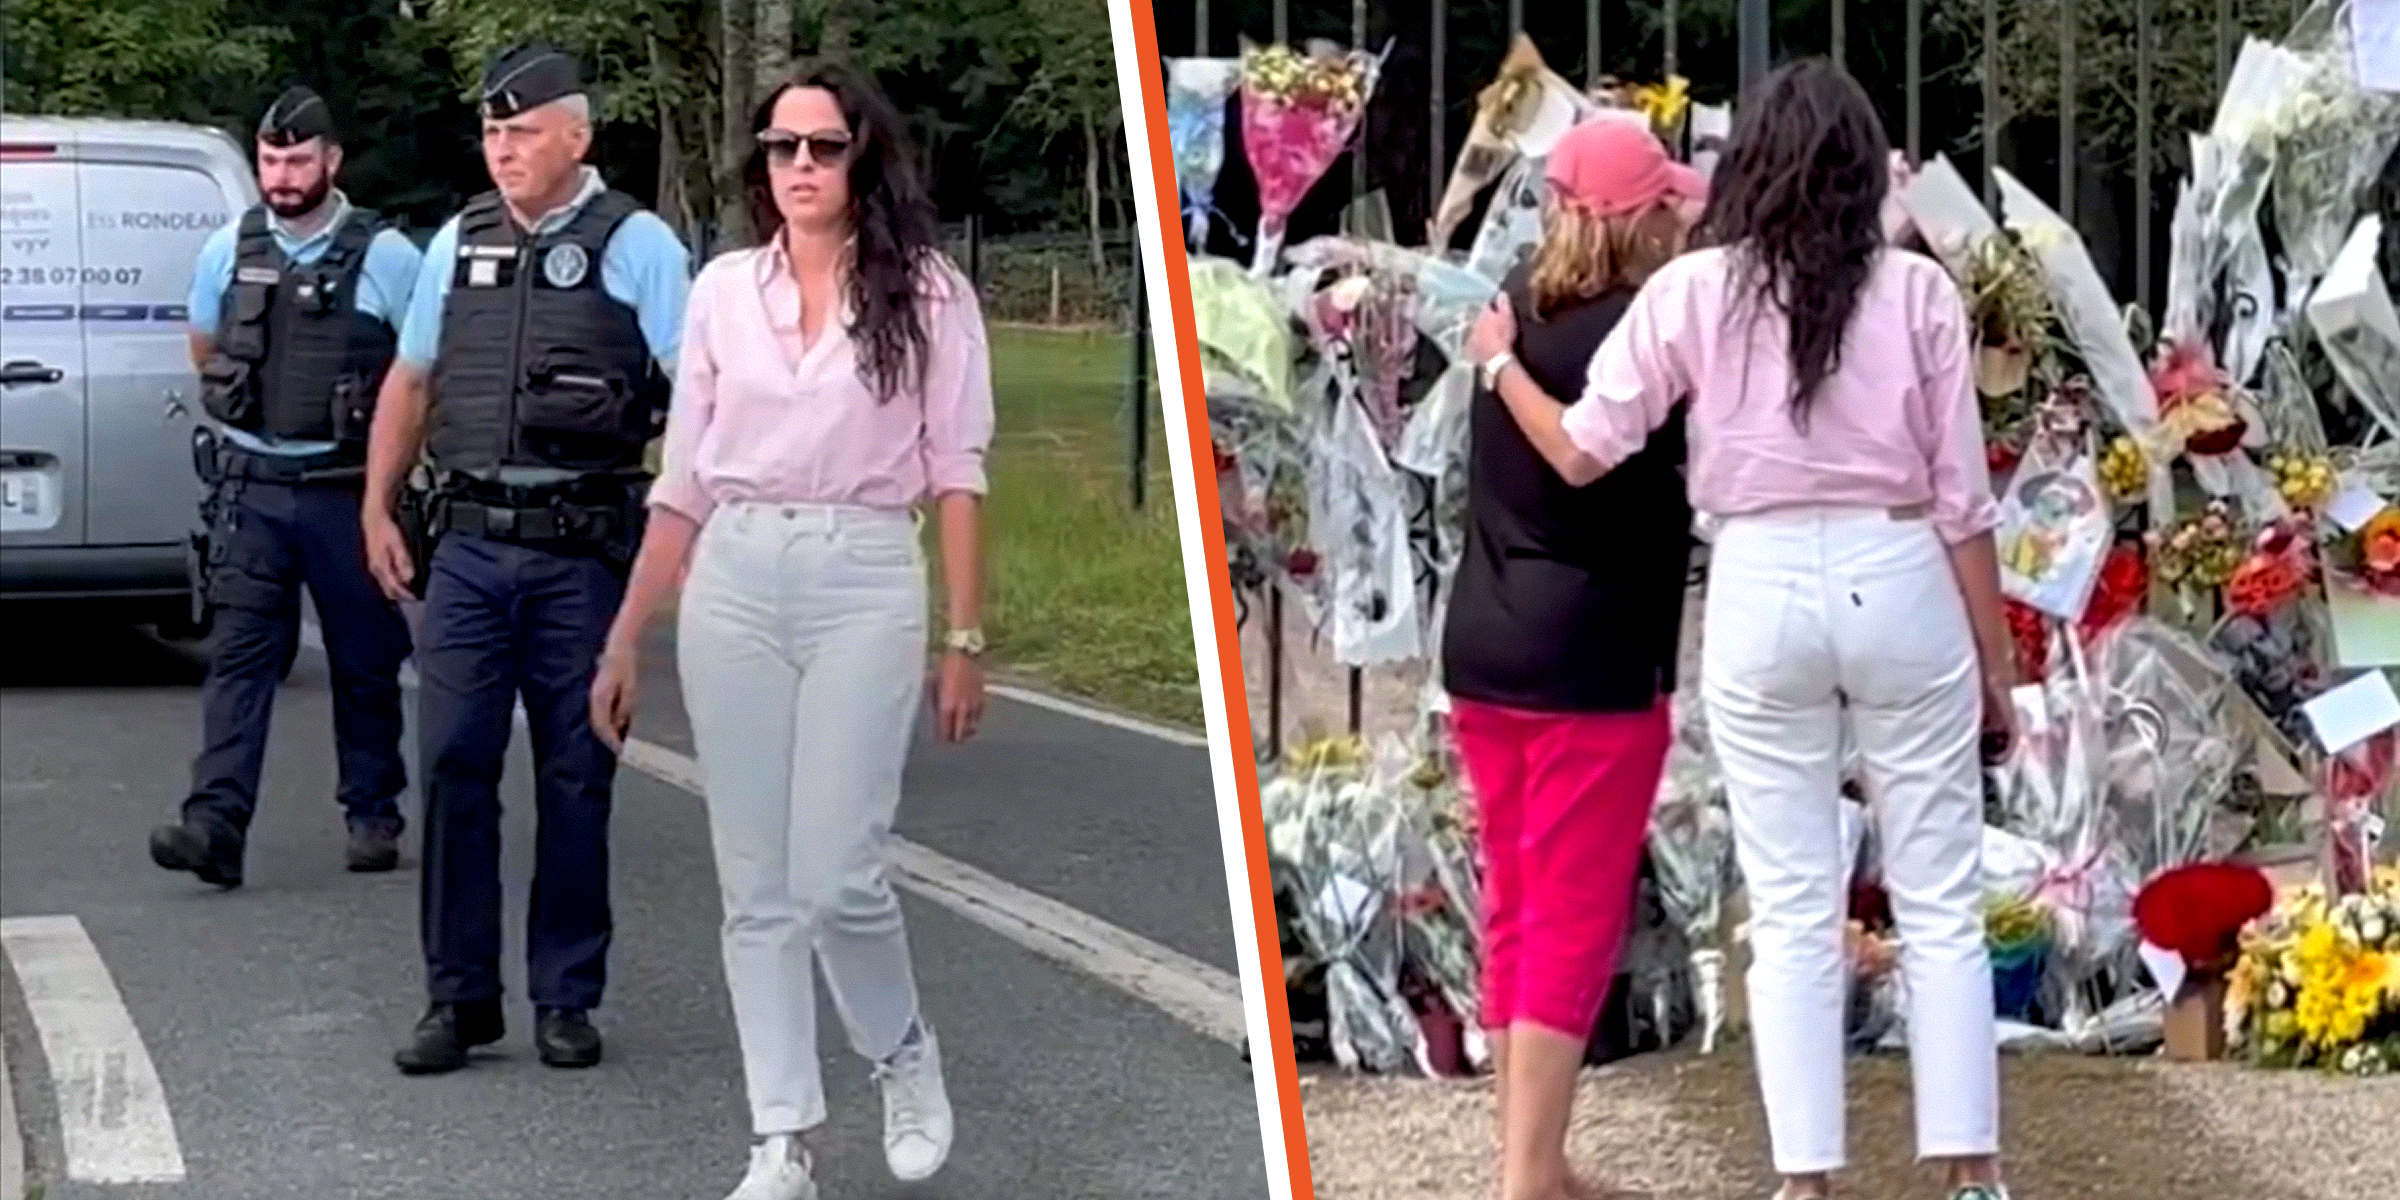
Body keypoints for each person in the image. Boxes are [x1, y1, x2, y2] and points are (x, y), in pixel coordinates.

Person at [1479, 60, 2016, 1200]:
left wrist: (1497, 371)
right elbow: (1965, 503)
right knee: (1937, 894)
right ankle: (1969, 1169)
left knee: (1789, 903)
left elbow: (1582, 447)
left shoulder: (1693, 292)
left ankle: (1806, 1178)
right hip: (1896, 562)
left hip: (1759, 579)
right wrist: (1996, 666)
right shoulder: (1918, 295)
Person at [586, 63, 991, 1200]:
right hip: (738, 573)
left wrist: (963, 637)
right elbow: (684, 484)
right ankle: (781, 1135)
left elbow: (957, 472)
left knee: (836, 876)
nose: (800, 167)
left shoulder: (928, 294)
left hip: (864, 568)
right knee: (753, 882)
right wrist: (625, 635)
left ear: (864, 156)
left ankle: (901, 1052)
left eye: (822, 146)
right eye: (781, 148)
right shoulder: (721, 292)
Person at [358, 43, 693, 1076]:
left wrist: (674, 546)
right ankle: (457, 1001)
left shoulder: (639, 246)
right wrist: (376, 504)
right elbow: (411, 382)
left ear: (577, 137)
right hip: (465, 549)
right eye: (494, 134)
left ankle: (566, 994)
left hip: (580, 553)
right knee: (455, 760)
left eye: (524, 132)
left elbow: (699, 399)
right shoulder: (456, 241)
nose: (504, 150)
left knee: (575, 772)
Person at [1449, 116, 1704, 1200]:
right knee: (1572, 916)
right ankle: (1527, 1176)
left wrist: (1501, 365)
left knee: (1513, 899)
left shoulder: (1513, 305)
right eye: (1669, 207)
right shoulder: (1643, 333)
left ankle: (1535, 1162)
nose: (1681, 222)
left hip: (1486, 644)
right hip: (1593, 658)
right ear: (1638, 220)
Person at [151, 86, 421, 889]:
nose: (284, 173)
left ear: (332, 161)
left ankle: (373, 811)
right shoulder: (227, 248)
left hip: (345, 490)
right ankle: (215, 826)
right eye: (271, 159)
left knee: (365, 662)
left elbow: (420, 374)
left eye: (300, 158)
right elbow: (205, 345)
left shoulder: (388, 257)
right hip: (253, 489)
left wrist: (390, 488)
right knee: (238, 660)